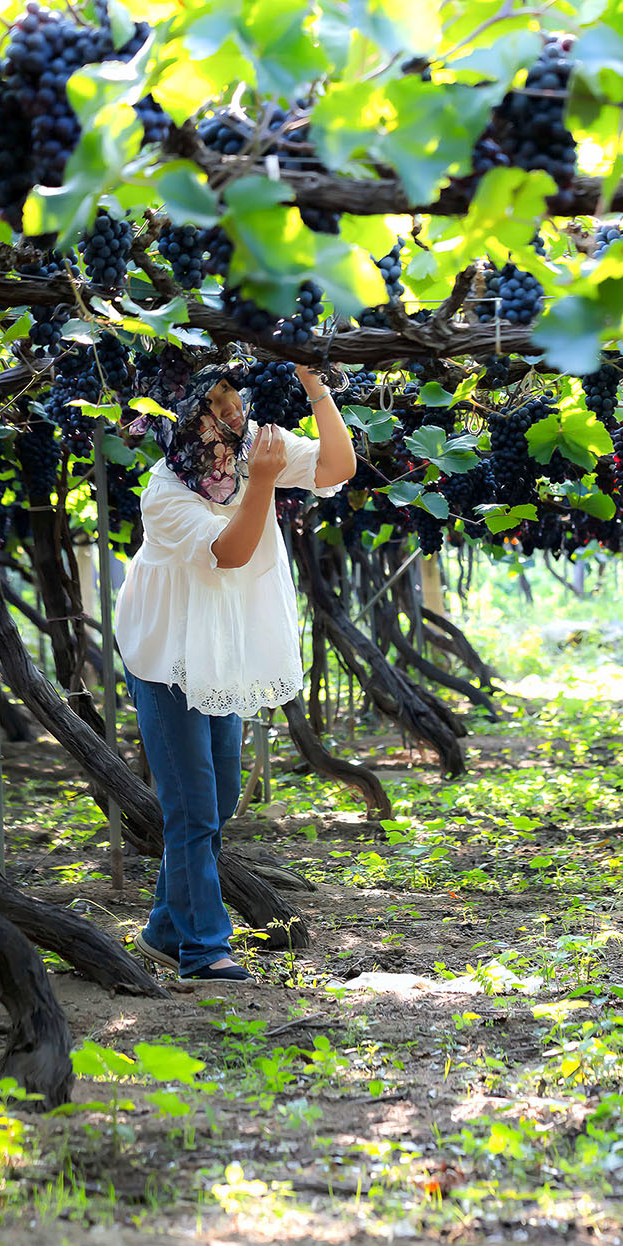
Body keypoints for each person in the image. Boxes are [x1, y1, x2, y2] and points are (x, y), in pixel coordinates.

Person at [114, 362, 355, 984]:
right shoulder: (165, 492)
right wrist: (266, 482)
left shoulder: (249, 454)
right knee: (193, 806)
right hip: (165, 657)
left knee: (217, 799)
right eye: (213, 404)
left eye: (232, 398)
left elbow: (337, 468)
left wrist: (315, 388)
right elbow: (232, 553)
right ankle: (203, 948)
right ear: (182, 422)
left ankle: (164, 930)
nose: (232, 412)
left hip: (217, 652)